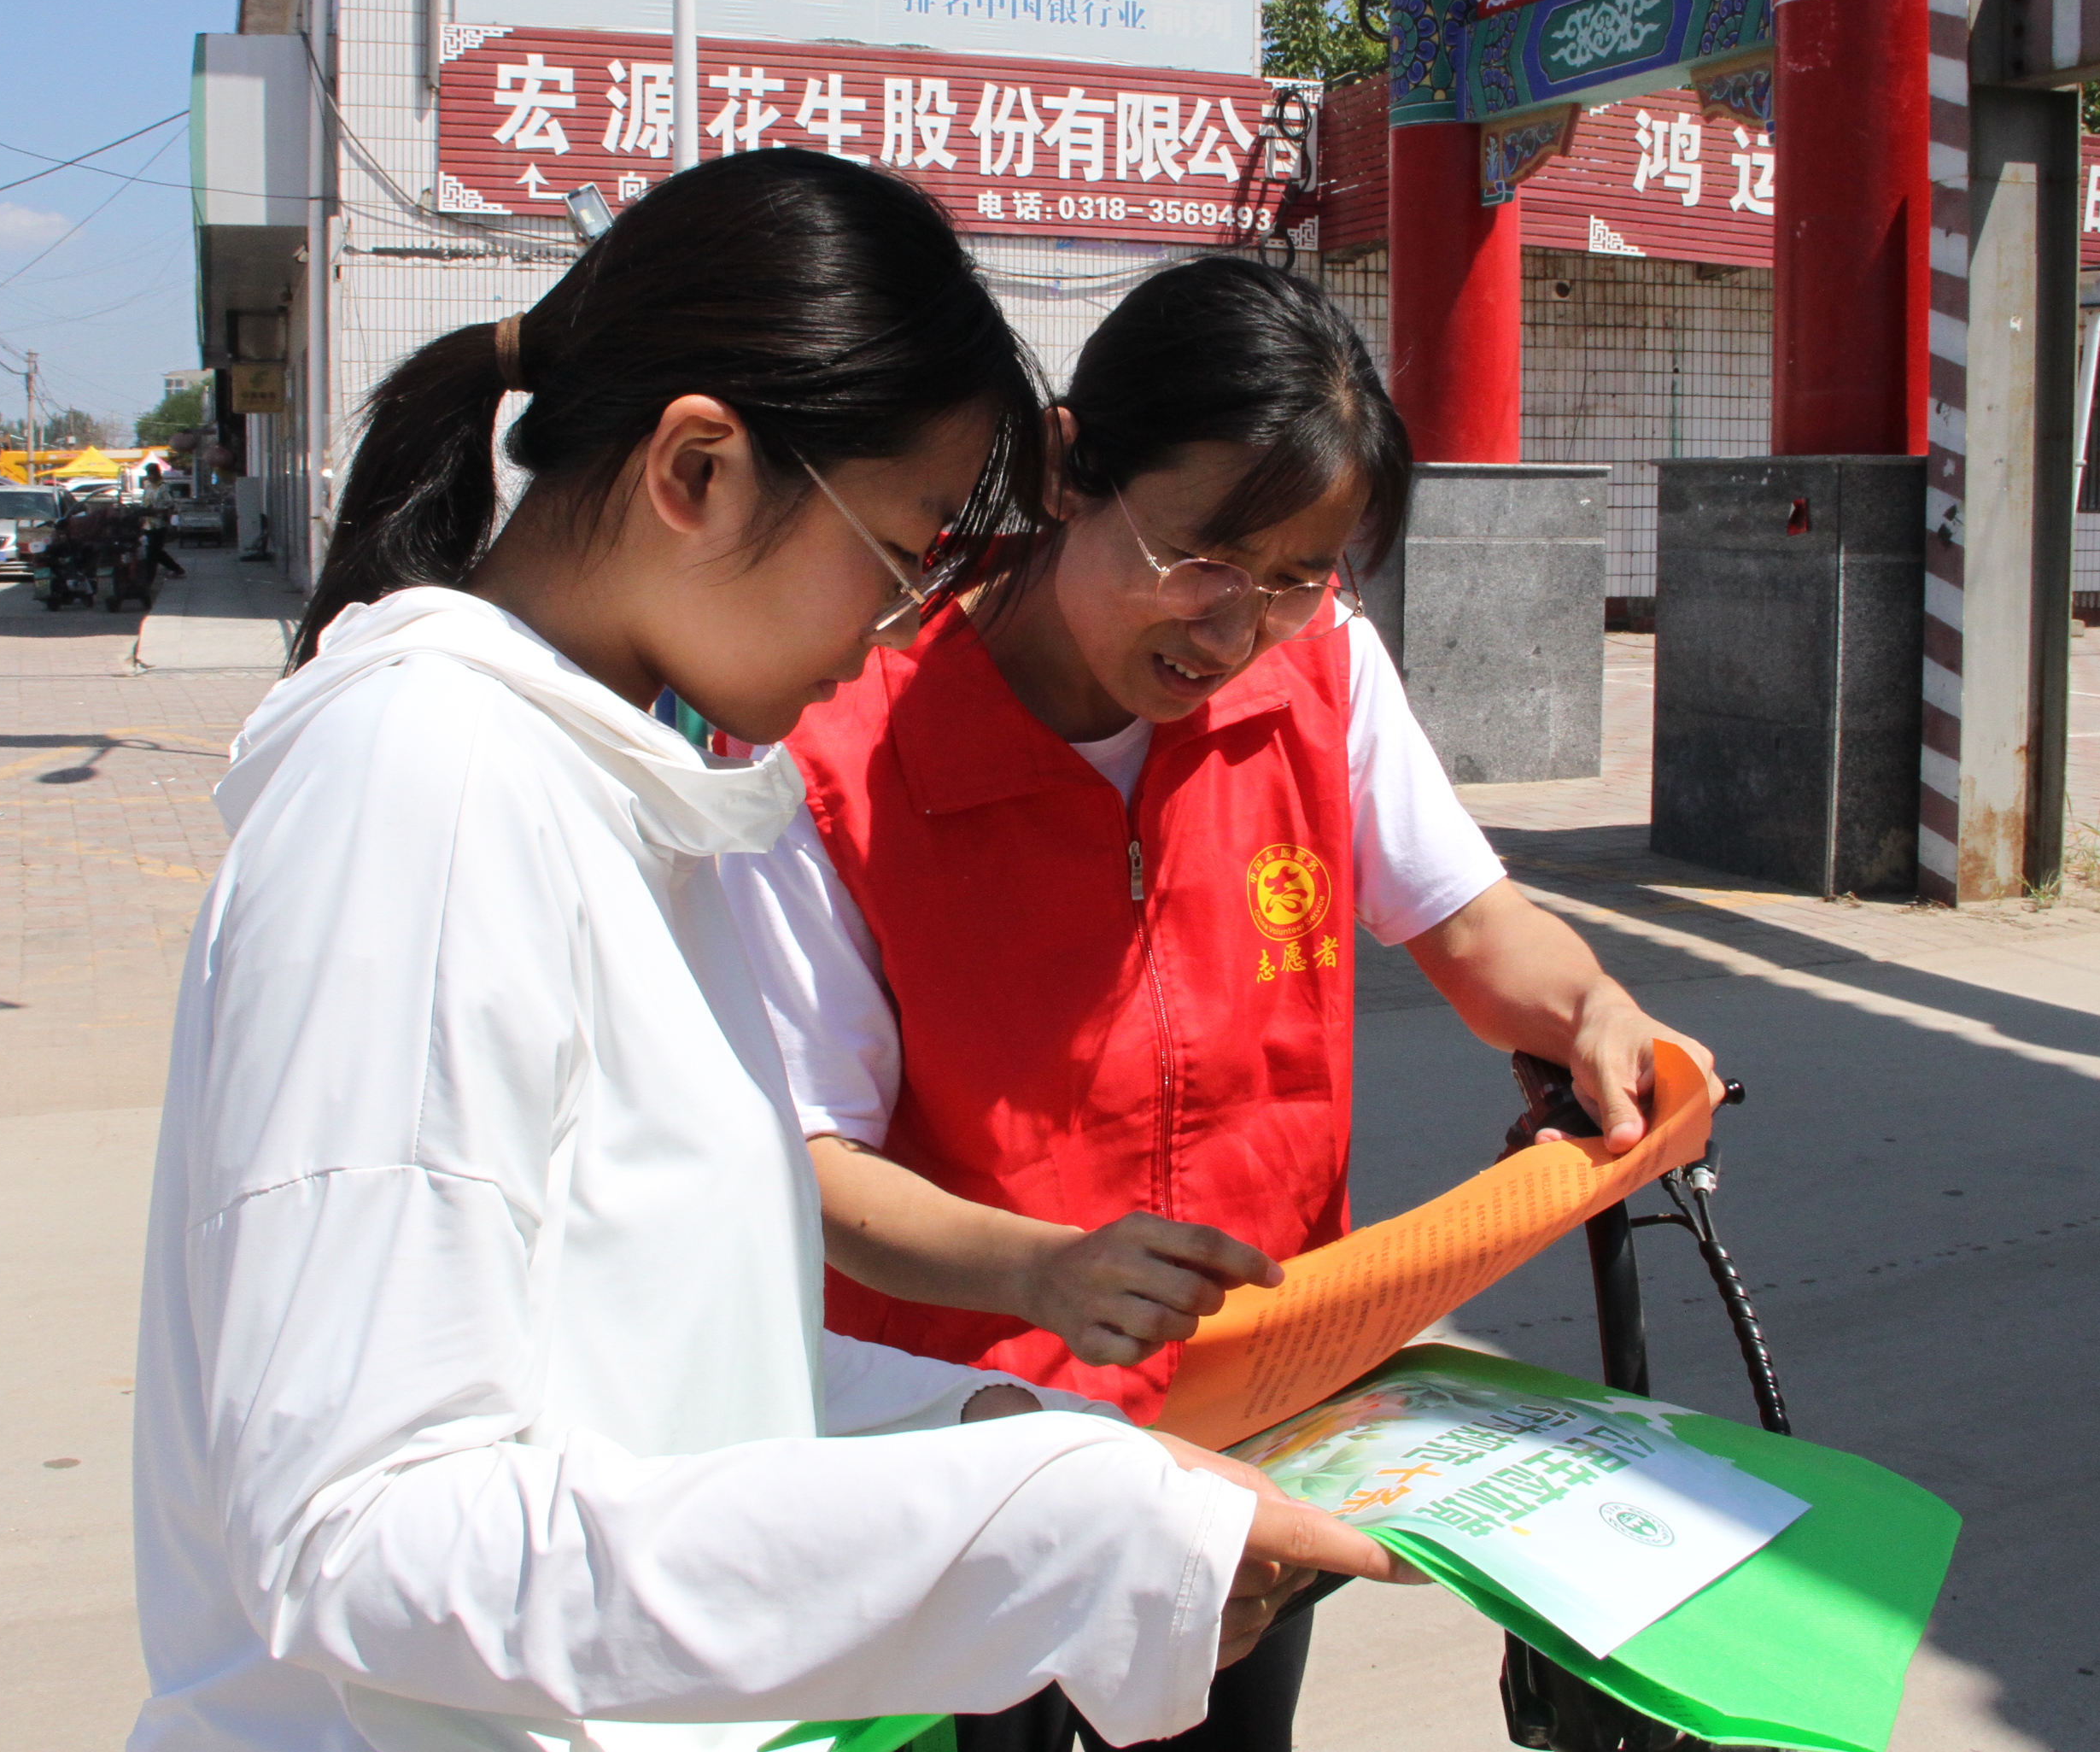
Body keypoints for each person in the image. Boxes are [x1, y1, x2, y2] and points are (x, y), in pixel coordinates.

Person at [130, 158, 1407, 1752]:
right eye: (904, 555)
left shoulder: (618, 801)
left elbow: (676, 1353)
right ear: (699, 470)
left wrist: (1023, 1440)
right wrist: (1027, 1529)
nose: (898, 632)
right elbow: (363, 1531)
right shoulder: (425, 786)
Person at [719, 257, 1719, 1752]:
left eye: (1297, 576)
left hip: (1263, 1430)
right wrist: (1043, 1274)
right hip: (978, 1455)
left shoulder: (1320, 678)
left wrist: (1590, 1010)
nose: (1232, 629)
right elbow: (799, 1171)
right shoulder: (842, 761)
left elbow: (1469, 925)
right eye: (1197, 553)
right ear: (1070, 470)